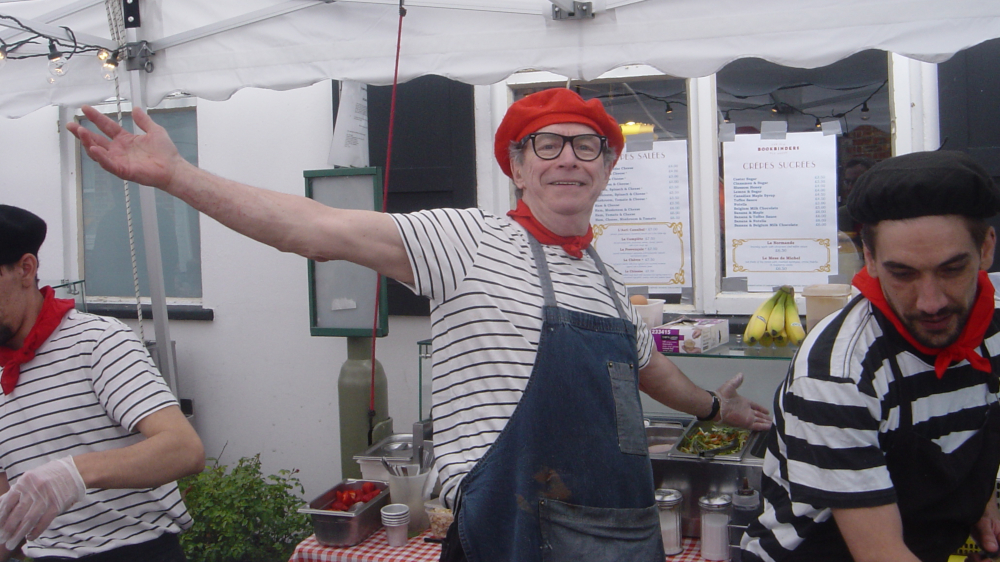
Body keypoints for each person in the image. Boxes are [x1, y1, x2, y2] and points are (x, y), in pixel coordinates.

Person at [68, 88, 771, 562]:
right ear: (517, 167)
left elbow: (651, 373)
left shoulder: (612, 284)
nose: (567, 159)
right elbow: (313, 229)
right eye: (546, 145)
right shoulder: (467, 241)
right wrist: (178, 176)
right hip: (507, 531)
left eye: (587, 147)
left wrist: (718, 407)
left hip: (618, 532)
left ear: (608, 168)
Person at [740, 150, 1000, 562]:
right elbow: (880, 553)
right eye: (903, 273)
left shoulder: (994, 333)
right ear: (870, 258)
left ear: (986, 249)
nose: (930, 303)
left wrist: (980, 499)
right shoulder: (838, 373)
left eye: (952, 269)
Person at [0, 205, 205, 561]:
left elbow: (184, 450)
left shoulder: (98, 341)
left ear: (25, 268)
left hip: (137, 551)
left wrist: (75, 472)